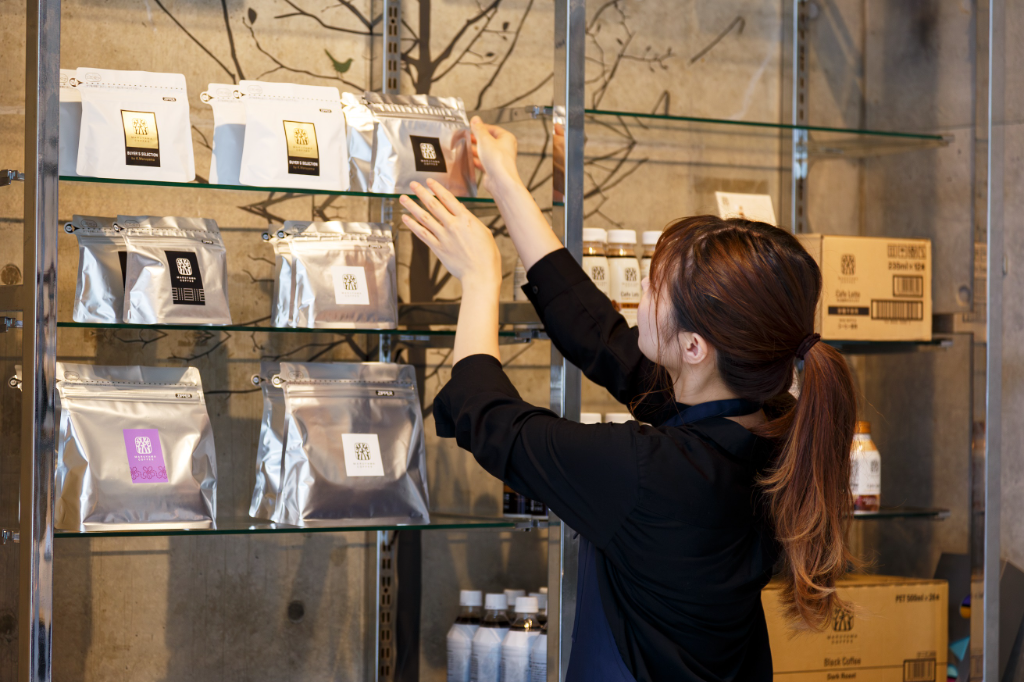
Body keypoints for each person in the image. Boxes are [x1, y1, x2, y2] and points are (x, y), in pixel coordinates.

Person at [398, 118, 858, 682]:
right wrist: (505, 182)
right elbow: (601, 338)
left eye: (652, 289)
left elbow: (486, 416)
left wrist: (479, 280)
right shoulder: (764, 432)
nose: (638, 298)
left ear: (694, 347)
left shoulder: (650, 474)